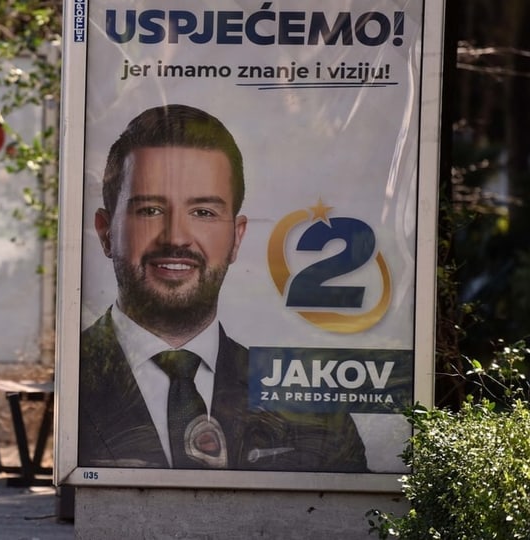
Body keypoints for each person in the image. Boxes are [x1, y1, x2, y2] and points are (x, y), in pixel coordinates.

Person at [78, 104, 367, 472]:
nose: (176, 237)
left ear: (236, 237)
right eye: (150, 210)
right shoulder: (73, 377)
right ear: (106, 232)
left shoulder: (318, 414)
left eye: (203, 213)